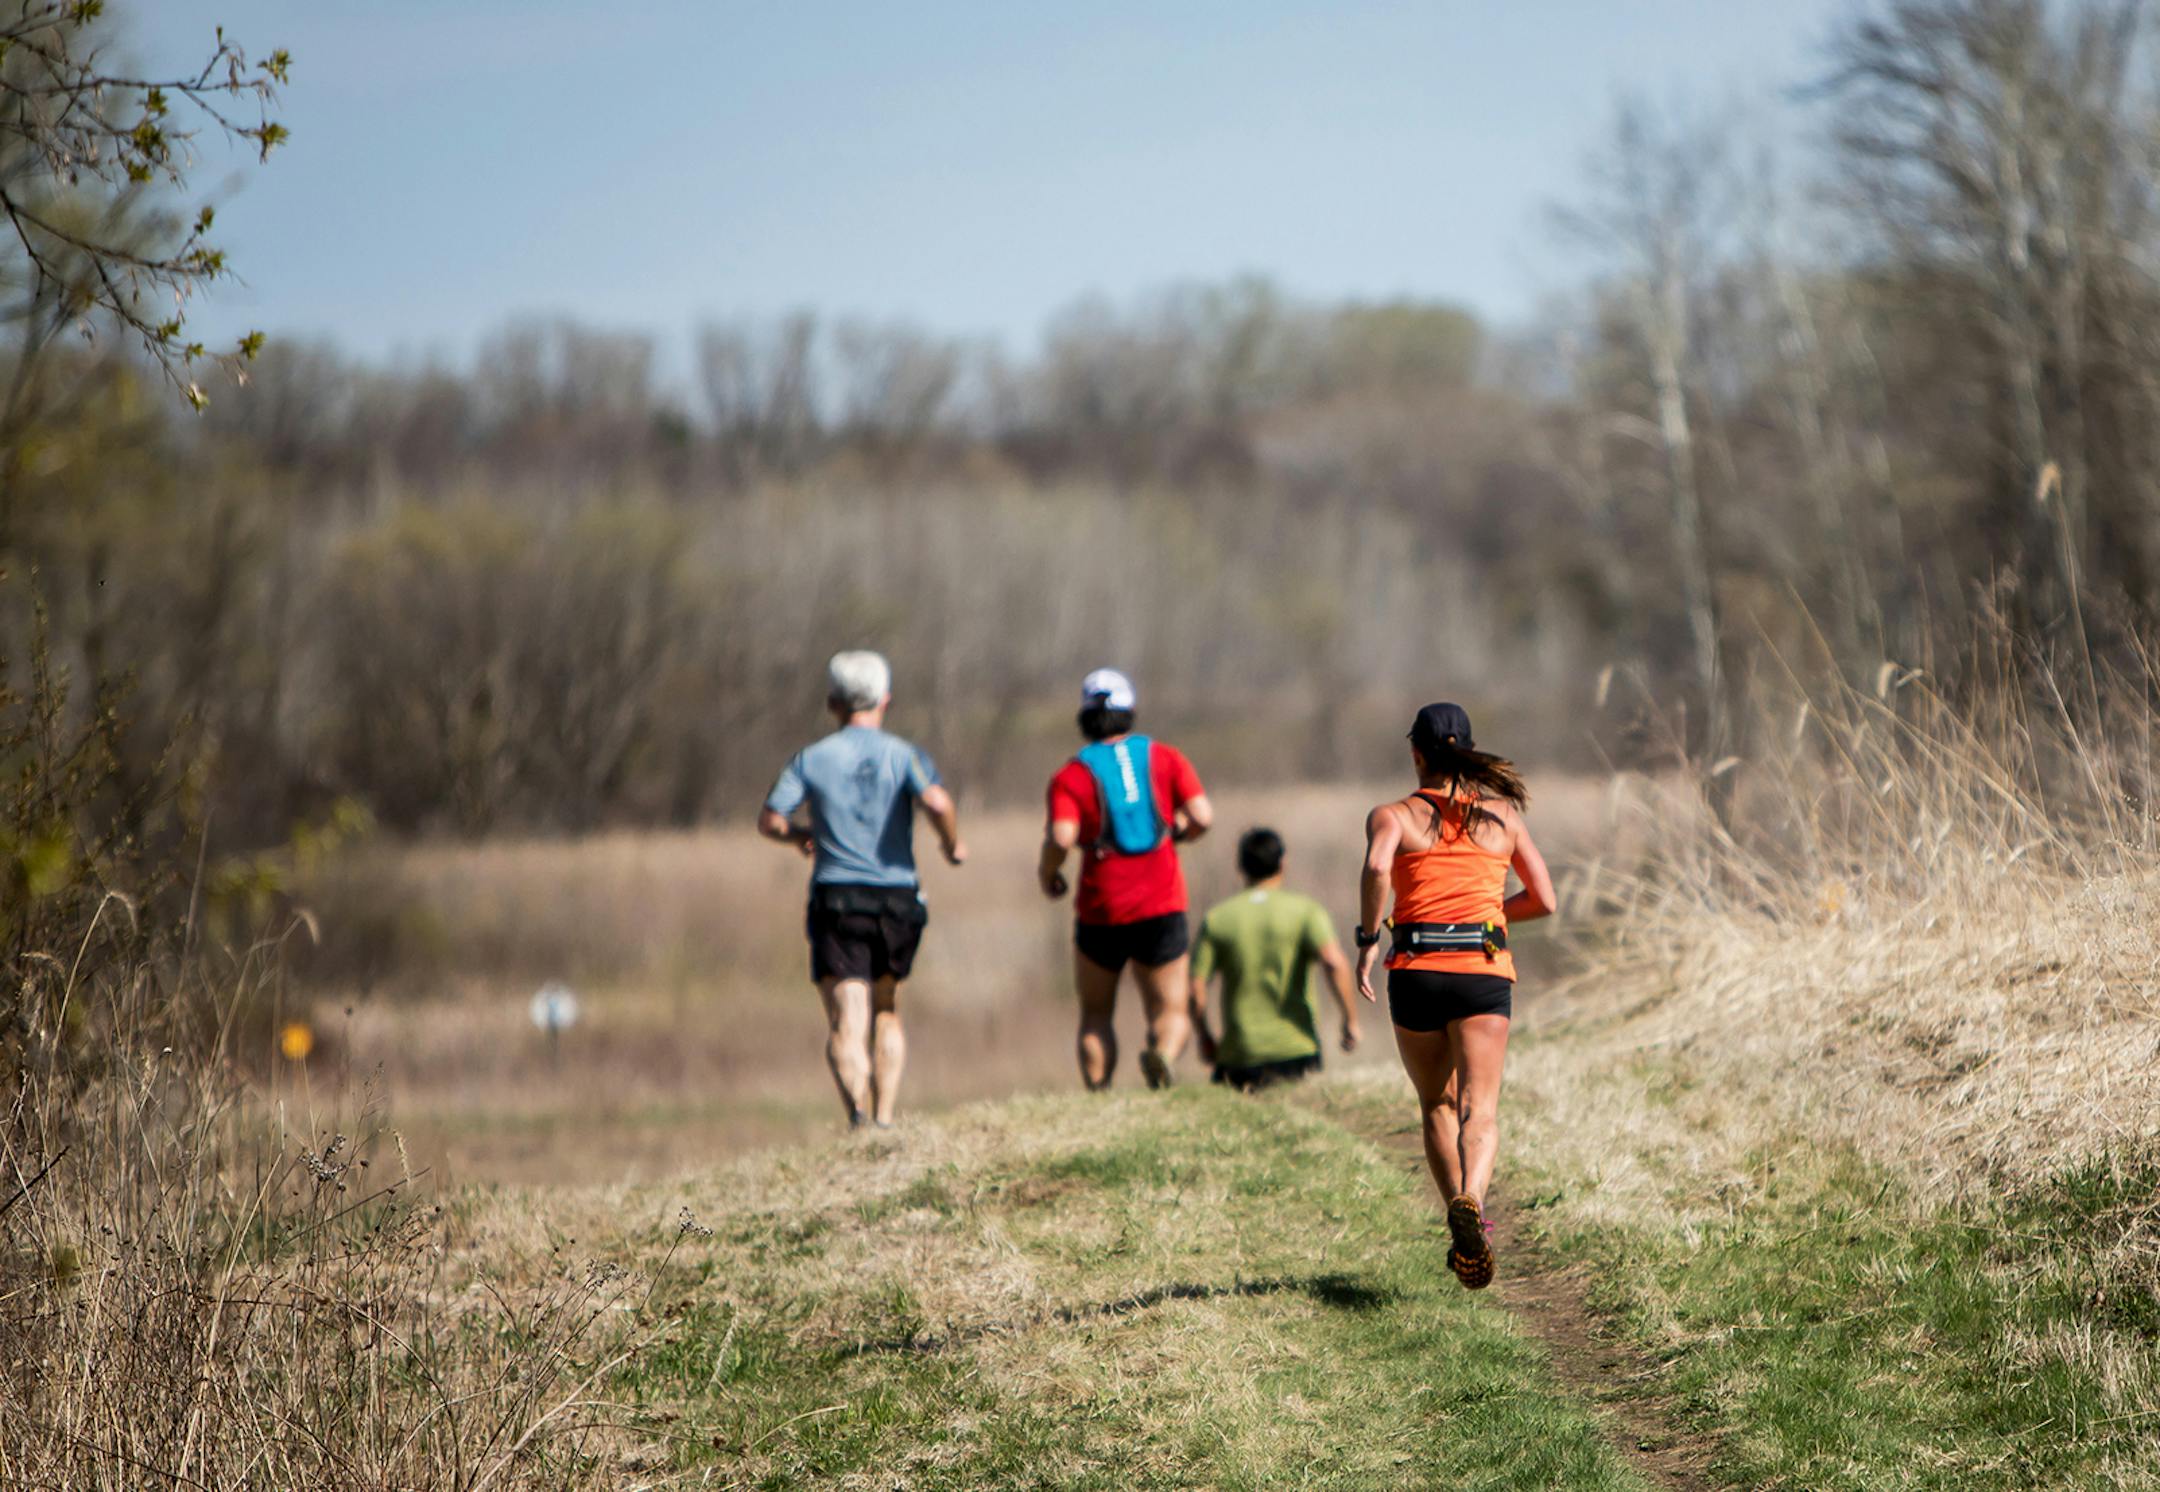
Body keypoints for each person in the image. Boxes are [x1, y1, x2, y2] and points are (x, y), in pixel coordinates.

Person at [1354, 703, 1555, 1289]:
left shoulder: (1393, 815)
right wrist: (1487, 916)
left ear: (1416, 753)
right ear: (1465, 751)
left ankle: (1460, 1224)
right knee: (1479, 1108)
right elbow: (1544, 900)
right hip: (1481, 970)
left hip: (1416, 970)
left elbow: (1377, 867)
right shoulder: (1502, 817)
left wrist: (1368, 937)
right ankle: (1474, 1202)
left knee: (1436, 1105)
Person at [759, 649, 965, 1129]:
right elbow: (937, 802)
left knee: (847, 1020)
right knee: (887, 1010)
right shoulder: (905, 755)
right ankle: (886, 1118)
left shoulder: (810, 759)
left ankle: (857, 1118)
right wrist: (951, 844)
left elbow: (770, 820)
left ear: (832, 703)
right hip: (898, 900)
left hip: (837, 899)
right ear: (885, 700)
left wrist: (798, 836)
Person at [1039, 668, 1212, 1090]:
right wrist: (1180, 832)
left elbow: (1061, 836)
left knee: (1096, 1013)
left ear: (1085, 716)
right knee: (1170, 1009)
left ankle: (1100, 1093)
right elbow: (1203, 816)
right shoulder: (1164, 757)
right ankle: (1163, 1055)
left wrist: (1049, 872)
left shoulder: (1071, 775)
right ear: (1130, 710)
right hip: (1161, 900)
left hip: (1102, 906)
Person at [1190, 828, 1367, 1091]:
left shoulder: (1217, 919)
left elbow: (1196, 988)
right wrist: (1349, 1020)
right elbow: (1333, 962)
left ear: (1241, 866)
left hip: (1239, 1055)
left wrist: (1204, 1036)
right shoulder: (1306, 911)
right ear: (1283, 863)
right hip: (1296, 1049)